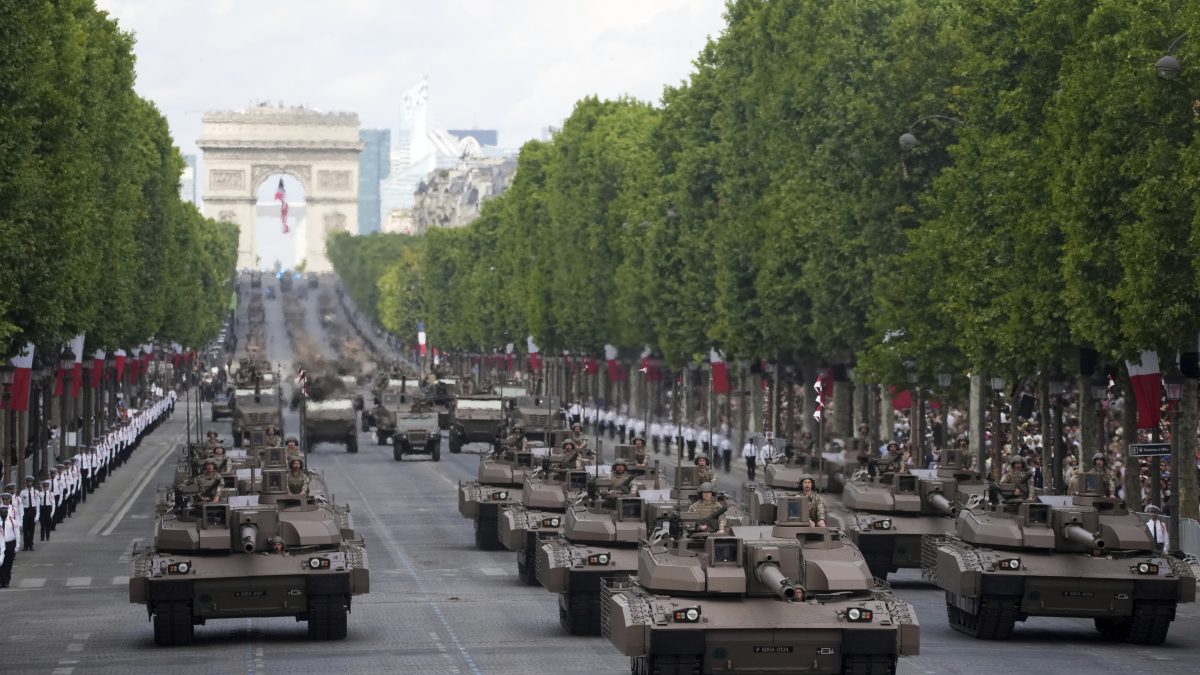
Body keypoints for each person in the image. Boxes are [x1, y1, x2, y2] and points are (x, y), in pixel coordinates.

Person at [19, 477, 38, 551]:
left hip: (32, 510)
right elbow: (20, 504)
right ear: (26, 483)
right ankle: (25, 545)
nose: (29, 483)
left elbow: (38, 504)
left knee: (31, 529)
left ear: (32, 482)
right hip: (25, 511)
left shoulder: (36, 492)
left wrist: (37, 515)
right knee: (25, 529)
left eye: (30, 482)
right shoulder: (22, 492)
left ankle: (31, 545)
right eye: (27, 482)